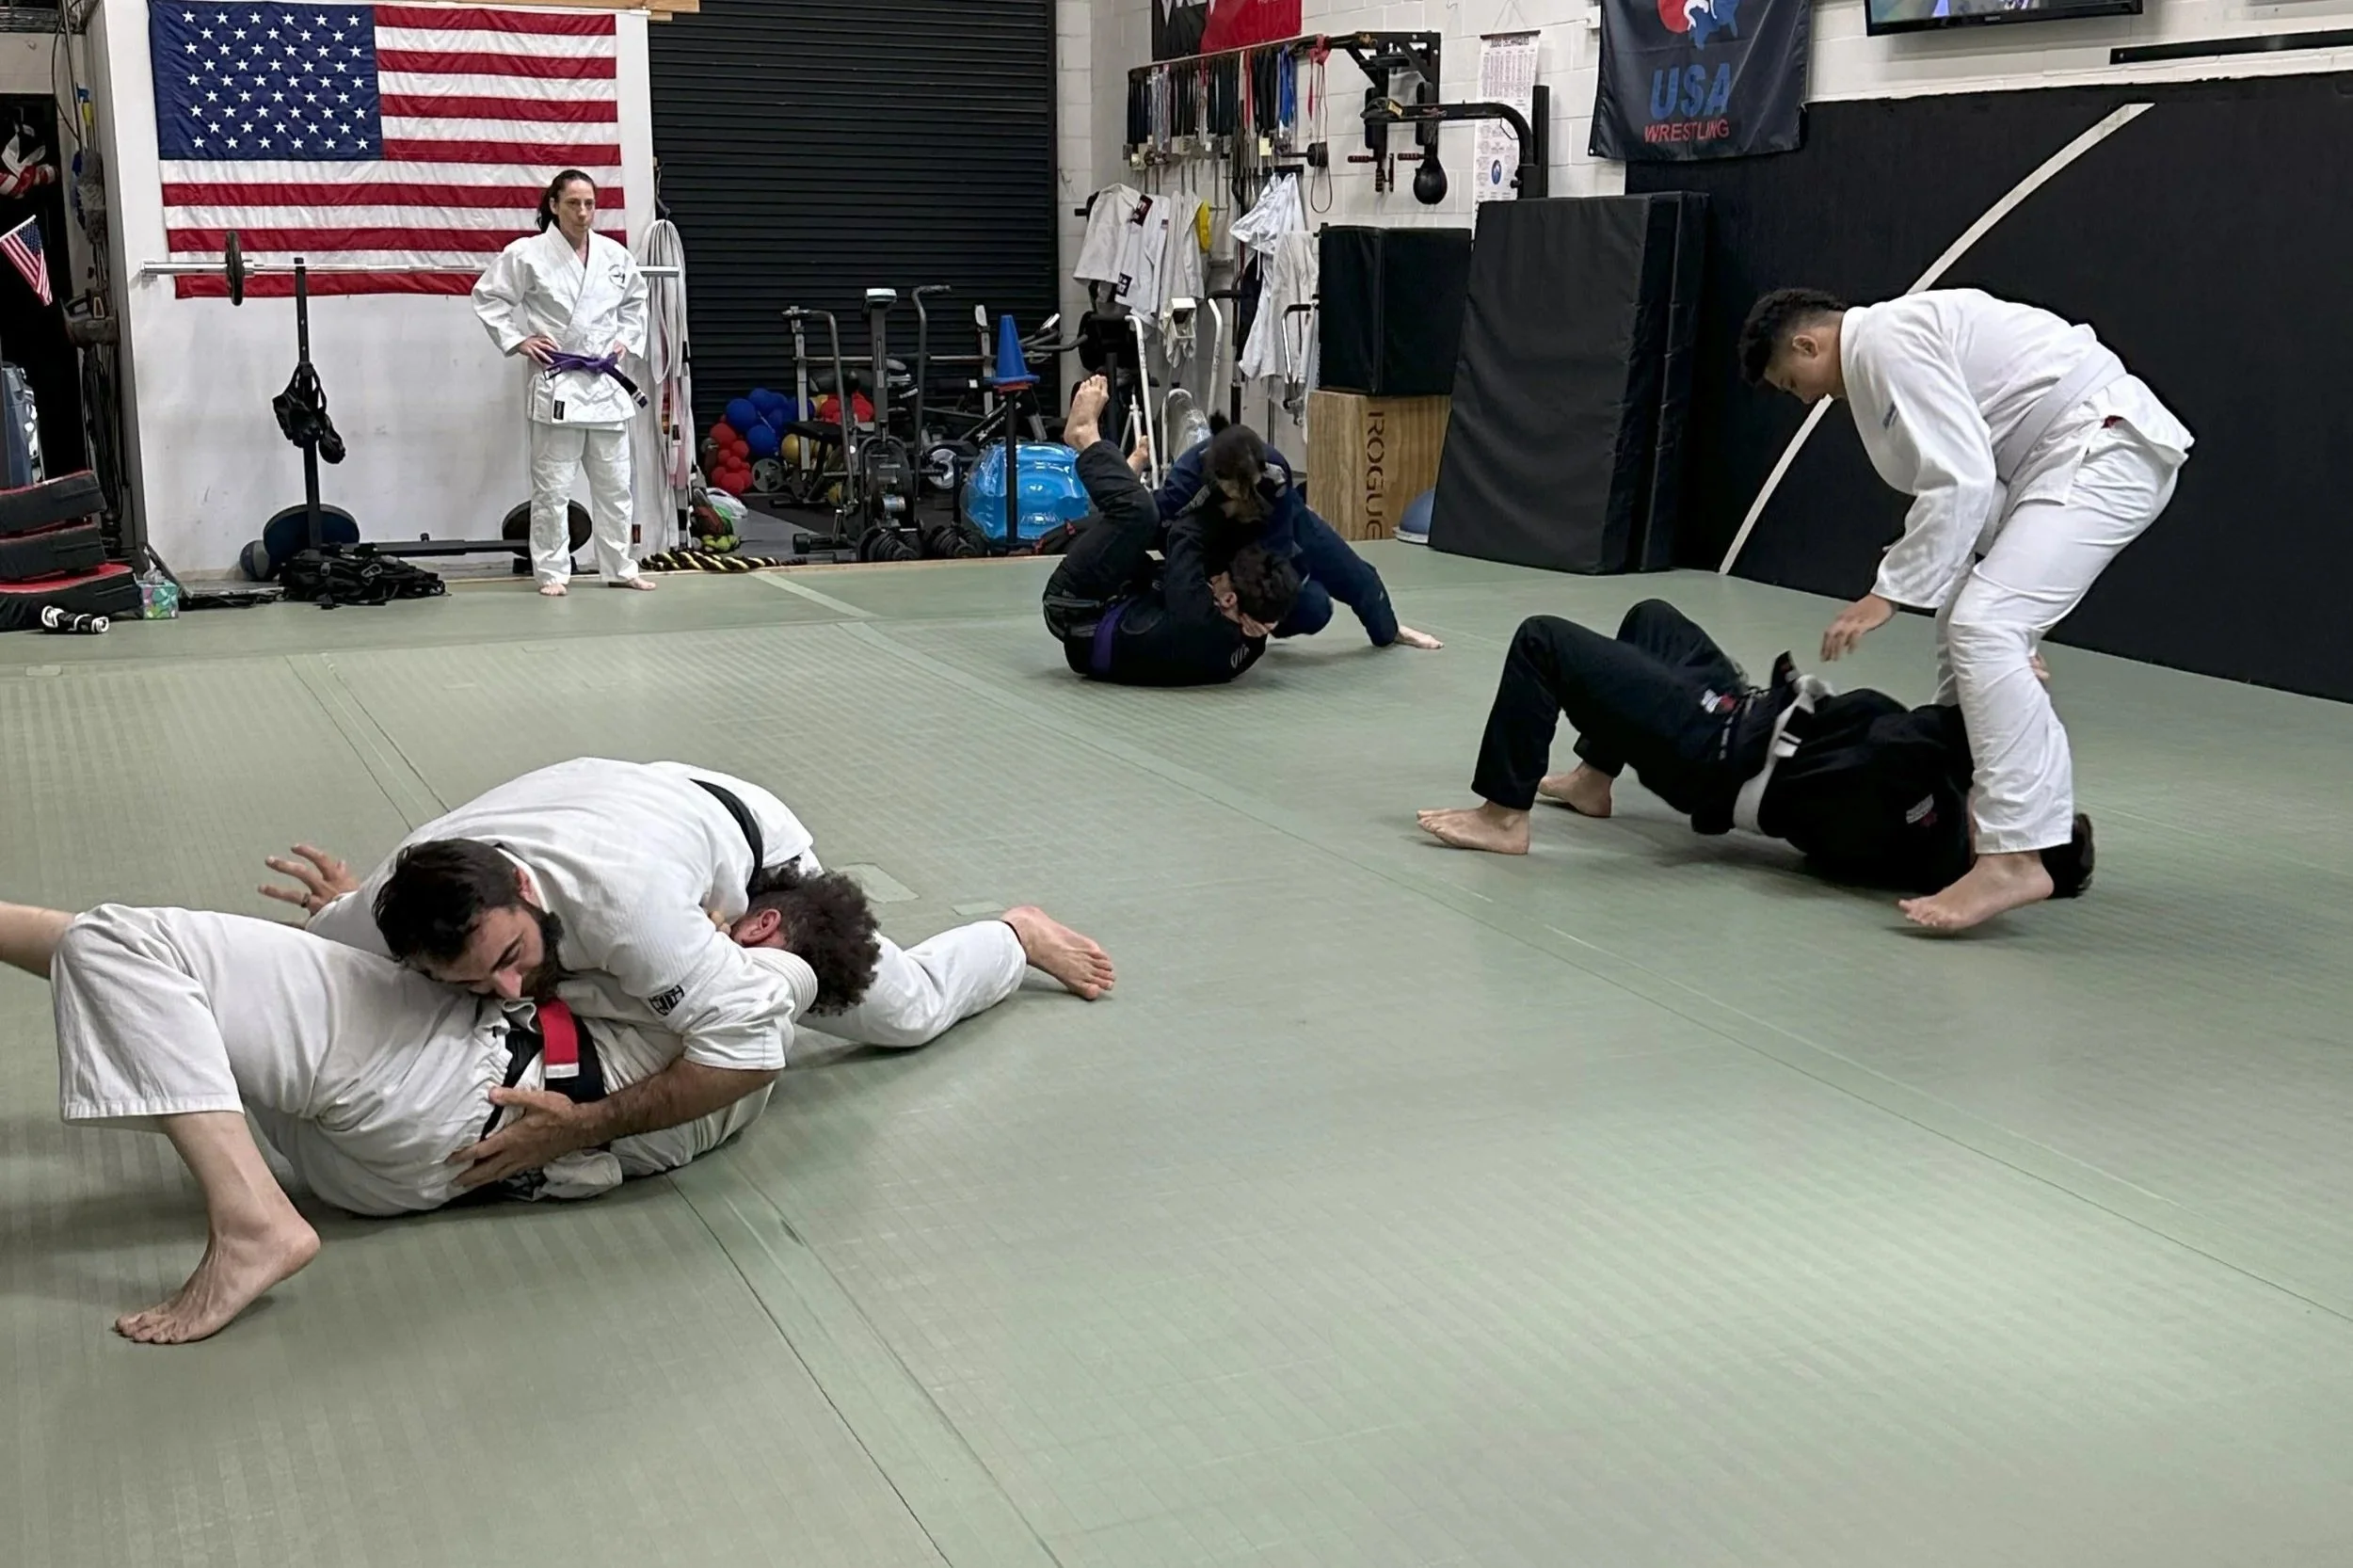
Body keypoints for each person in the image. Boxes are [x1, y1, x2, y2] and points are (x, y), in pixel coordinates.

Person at [0, 866, 879, 1343]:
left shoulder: (766, 980)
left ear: (762, 925)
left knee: (126, 941)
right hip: (406, 1168)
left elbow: (755, 1010)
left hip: (454, 1088)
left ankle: (252, 1224)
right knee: (151, 983)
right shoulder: (719, 1070)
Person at [260, 758, 1115, 1194]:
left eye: (509, 960)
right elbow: (321, 964)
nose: (507, 991)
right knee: (569, 996)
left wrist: (580, 1127)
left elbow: (747, 1057)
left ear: (524, 890)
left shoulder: (628, 908)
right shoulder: (383, 913)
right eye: (474, 979)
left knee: (909, 1013)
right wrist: (349, 905)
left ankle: (1015, 937)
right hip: (631, 810)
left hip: (750, 850)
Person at [1739, 286, 2189, 929]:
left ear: (1808, 343)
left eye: (1793, 381)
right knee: (1972, 625)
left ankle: (2015, 856)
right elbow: (1980, 483)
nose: (1806, 398)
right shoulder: (1892, 347)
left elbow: (1962, 479)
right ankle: (1974, 785)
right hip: (2069, 457)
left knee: (1986, 624)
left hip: (2100, 449)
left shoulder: (1888, 341)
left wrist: (1886, 594)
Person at [1415, 600, 2093, 899]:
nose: (2006, 793)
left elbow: (1899, 742)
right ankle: (1594, 779)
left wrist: (1995, 704)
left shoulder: (1929, 838)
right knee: (1653, 619)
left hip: (1716, 754)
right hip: (1748, 712)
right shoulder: (1943, 795)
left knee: (1544, 639)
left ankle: (1503, 817)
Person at [1041, 376, 1304, 686]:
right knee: (1145, 523)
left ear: (1230, 600)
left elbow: (1183, 533)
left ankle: (1085, 438)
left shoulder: (1195, 614)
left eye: (1222, 578)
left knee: (1139, 515)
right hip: (1131, 600)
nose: (1216, 576)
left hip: (1074, 605)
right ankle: (1122, 476)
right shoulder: (1251, 631)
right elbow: (1266, 602)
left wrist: (1229, 499)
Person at [472, 169, 655, 597]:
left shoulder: (614, 255)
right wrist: (519, 339)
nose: (583, 212)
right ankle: (553, 571)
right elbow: (488, 296)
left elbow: (636, 303)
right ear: (554, 205)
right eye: (573, 203)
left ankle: (619, 566)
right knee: (553, 488)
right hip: (559, 385)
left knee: (615, 486)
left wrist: (625, 342)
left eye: (590, 203)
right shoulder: (528, 254)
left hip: (606, 387)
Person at [1154, 422, 1444, 653]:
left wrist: (1266, 607)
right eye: (1236, 490)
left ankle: (1390, 630)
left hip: (1271, 524)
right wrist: (1225, 595)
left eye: (1251, 485)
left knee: (1354, 576)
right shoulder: (1184, 487)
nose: (1245, 495)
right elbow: (1173, 544)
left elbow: (1276, 550)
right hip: (1213, 542)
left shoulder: (1275, 471)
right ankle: (1247, 631)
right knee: (1315, 607)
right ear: (1218, 479)